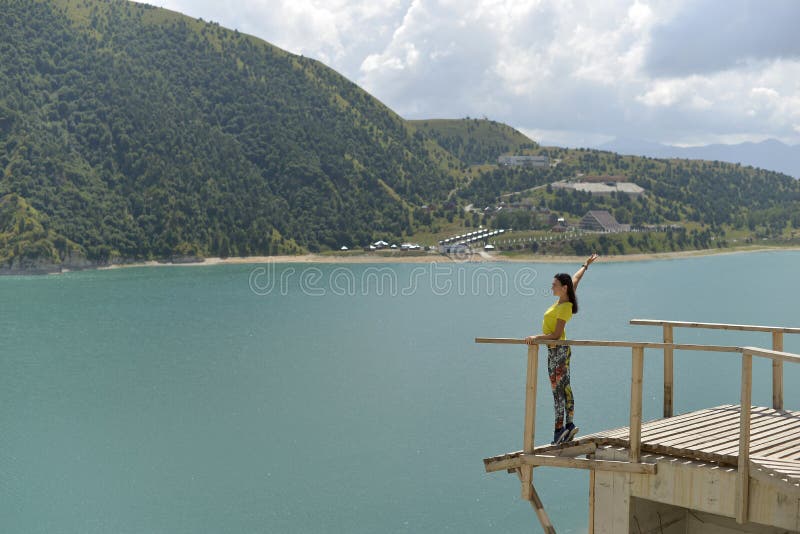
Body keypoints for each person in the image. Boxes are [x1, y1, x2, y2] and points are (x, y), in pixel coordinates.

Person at [526, 253, 599, 445]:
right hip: (557, 351)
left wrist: (536, 337)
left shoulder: (565, 307)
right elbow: (575, 278)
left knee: (558, 391)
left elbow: (556, 335)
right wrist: (586, 265)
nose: (551, 286)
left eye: (554, 284)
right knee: (563, 388)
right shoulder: (565, 299)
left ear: (563, 288)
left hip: (557, 350)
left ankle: (560, 430)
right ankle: (567, 426)